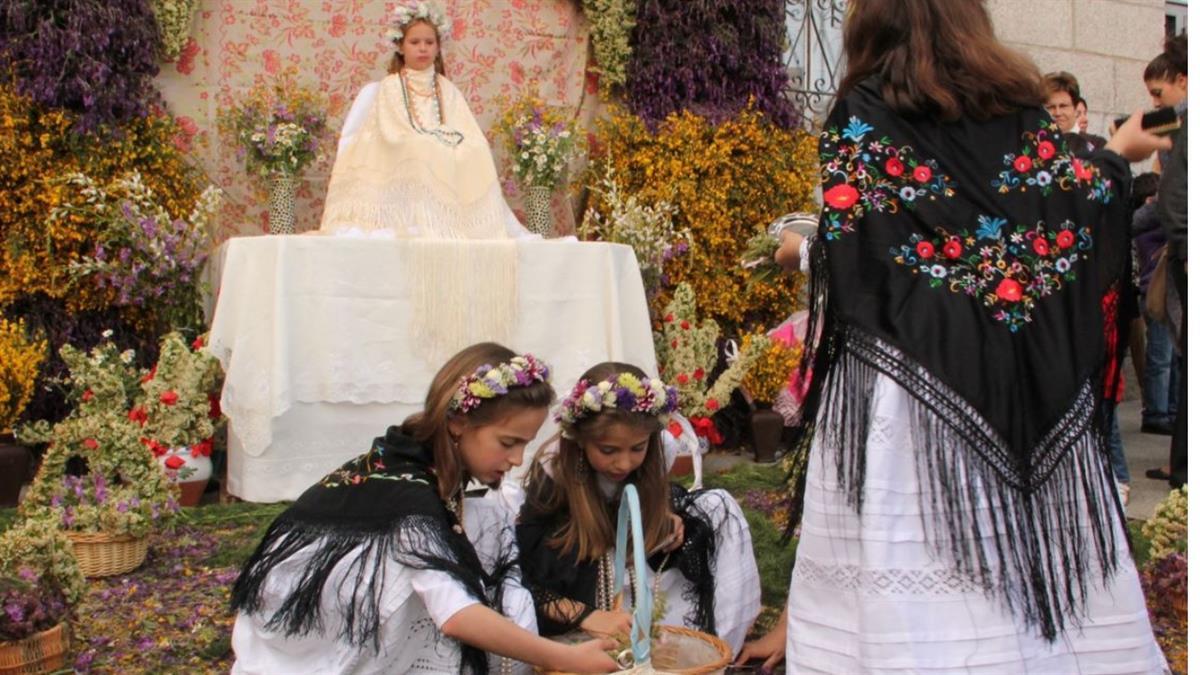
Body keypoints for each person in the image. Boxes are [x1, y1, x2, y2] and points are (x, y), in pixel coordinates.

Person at [737, 1, 1170, 672]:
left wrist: (806, 249)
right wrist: (1119, 157)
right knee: (1010, 560)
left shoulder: (864, 111)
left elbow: (865, 245)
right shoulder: (1021, 112)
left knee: (903, 538)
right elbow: (1068, 207)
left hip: (906, 383)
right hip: (1016, 373)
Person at [229, 344, 618, 674]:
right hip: (312, 648)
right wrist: (566, 657)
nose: (517, 459)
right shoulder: (408, 493)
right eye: (508, 442)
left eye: (525, 444)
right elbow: (457, 614)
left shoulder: (409, 462)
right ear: (459, 423)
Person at [515, 363, 761, 656]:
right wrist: (587, 616)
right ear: (579, 440)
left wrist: (666, 518)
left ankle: (717, 649)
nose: (624, 464)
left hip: (638, 571)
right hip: (581, 590)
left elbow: (650, 499)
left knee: (719, 508)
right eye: (608, 451)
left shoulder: (656, 453)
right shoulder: (554, 479)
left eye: (637, 449)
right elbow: (528, 580)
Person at [318, 1, 530, 239]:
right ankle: (422, 221)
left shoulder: (447, 88)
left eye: (429, 43)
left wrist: (454, 142)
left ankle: (460, 223)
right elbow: (392, 128)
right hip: (404, 146)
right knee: (423, 147)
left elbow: (465, 127)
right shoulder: (391, 85)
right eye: (415, 42)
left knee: (476, 149)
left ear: (438, 48)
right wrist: (427, 138)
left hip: (442, 143)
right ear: (400, 46)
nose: (422, 49)